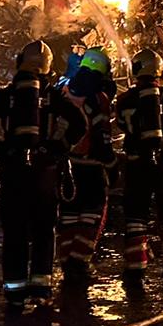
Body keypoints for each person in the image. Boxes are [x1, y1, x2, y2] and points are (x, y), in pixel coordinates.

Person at [0, 40, 85, 307]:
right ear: (47, 68)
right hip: (45, 173)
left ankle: (14, 292)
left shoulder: (6, 96)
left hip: (14, 172)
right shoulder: (53, 97)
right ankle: (41, 290)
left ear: (20, 63)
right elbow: (79, 123)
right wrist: (56, 148)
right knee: (44, 230)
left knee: (15, 231)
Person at [113, 48, 163, 282]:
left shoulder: (124, 99)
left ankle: (135, 269)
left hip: (137, 164)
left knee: (136, 215)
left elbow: (121, 124)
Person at [58, 47, 117, 283]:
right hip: (91, 165)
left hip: (66, 165)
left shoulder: (64, 91)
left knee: (69, 213)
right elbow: (102, 136)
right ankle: (79, 262)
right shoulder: (98, 98)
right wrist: (112, 165)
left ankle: (66, 261)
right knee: (93, 212)